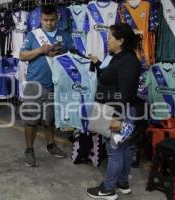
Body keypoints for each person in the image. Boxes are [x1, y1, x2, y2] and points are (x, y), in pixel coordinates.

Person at [86, 23, 142, 200]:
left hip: (120, 111)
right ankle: (122, 183)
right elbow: (111, 76)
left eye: (110, 37)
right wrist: (98, 64)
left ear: (121, 40)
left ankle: (108, 189)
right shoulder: (118, 57)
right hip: (115, 109)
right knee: (124, 148)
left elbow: (125, 92)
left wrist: (118, 118)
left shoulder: (128, 61)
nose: (107, 40)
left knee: (114, 150)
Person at [19, 5, 73, 167]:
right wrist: (41, 50)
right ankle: (29, 150)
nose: (49, 23)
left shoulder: (65, 35)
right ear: (41, 19)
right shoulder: (33, 35)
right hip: (35, 84)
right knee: (31, 120)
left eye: (52, 20)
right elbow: (22, 55)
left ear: (58, 19)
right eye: (45, 20)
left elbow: (72, 57)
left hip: (55, 85)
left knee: (49, 119)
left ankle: (51, 145)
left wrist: (62, 54)